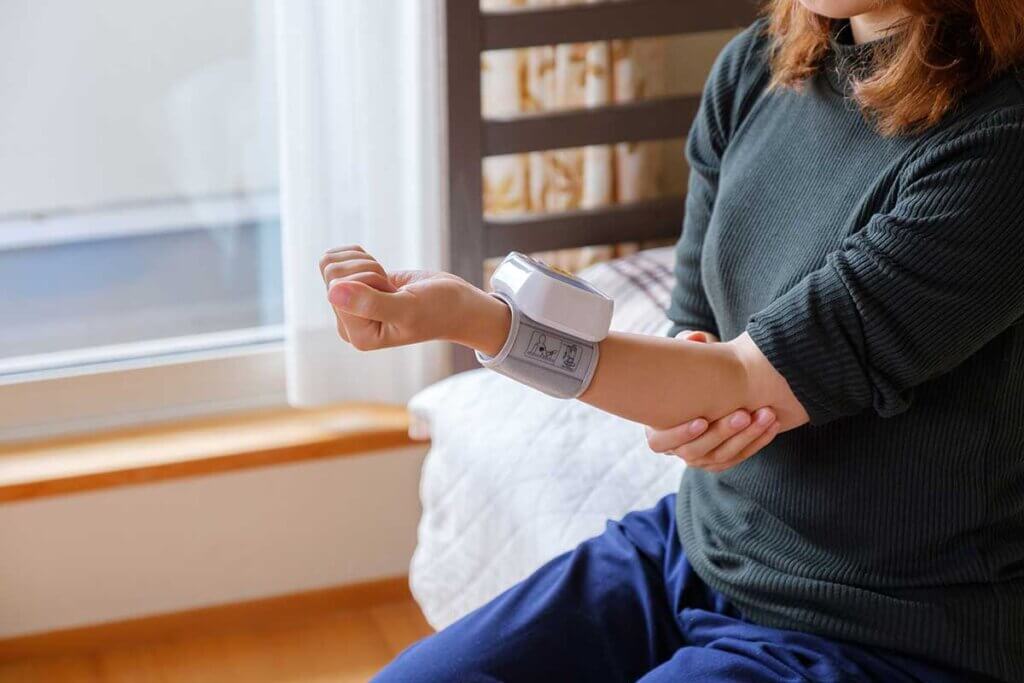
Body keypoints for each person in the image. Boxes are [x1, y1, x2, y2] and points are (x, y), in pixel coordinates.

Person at [321, 0, 1024, 680]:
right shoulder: (758, 67)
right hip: (697, 545)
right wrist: (685, 387)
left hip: (886, 625)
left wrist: (476, 319)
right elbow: (698, 344)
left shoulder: (999, 140)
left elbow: (743, 379)